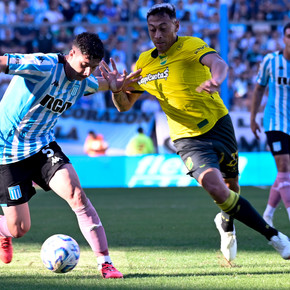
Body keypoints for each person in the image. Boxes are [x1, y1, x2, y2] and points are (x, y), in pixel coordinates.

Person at [100, 3, 290, 262]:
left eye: (163, 28)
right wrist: (117, 90)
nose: (157, 35)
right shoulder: (144, 63)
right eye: (152, 29)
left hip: (219, 124)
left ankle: (226, 222)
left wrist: (216, 80)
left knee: (232, 186)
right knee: (215, 187)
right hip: (187, 138)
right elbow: (124, 107)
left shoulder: (191, 45)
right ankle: (275, 237)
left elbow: (218, 63)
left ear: (176, 26)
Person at [0, 32, 141, 278]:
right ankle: (3, 233)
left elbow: (103, 84)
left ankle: (105, 263)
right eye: (85, 65)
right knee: (19, 228)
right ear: (72, 54)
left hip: (41, 146)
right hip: (6, 152)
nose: (87, 72)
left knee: (77, 195)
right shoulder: (43, 65)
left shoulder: (84, 80)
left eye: (93, 67)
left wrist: (116, 87)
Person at [250, 23, 290, 227]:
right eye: (289, 36)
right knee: (284, 166)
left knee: (285, 173)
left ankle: (267, 214)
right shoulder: (271, 61)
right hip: (275, 121)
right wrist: (252, 117)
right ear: (283, 38)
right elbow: (258, 90)